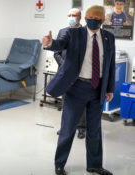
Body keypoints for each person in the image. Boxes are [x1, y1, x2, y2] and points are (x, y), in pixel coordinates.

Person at [42, 5, 115, 175]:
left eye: (97, 17)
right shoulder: (73, 34)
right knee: (68, 129)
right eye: (89, 16)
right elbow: (58, 44)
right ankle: (59, 164)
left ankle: (95, 165)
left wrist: (109, 88)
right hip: (76, 88)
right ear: (84, 18)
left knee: (95, 130)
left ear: (103, 20)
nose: (93, 19)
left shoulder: (108, 38)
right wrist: (49, 43)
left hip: (98, 89)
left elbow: (109, 65)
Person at [54, 8, 86, 139]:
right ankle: (65, 127)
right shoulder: (63, 32)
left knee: (81, 103)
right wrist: (65, 65)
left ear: (80, 17)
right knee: (66, 102)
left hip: (81, 75)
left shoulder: (86, 33)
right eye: (69, 15)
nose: (71, 17)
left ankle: (81, 128)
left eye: (74, 15)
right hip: (65, 75)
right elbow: (56, 52)